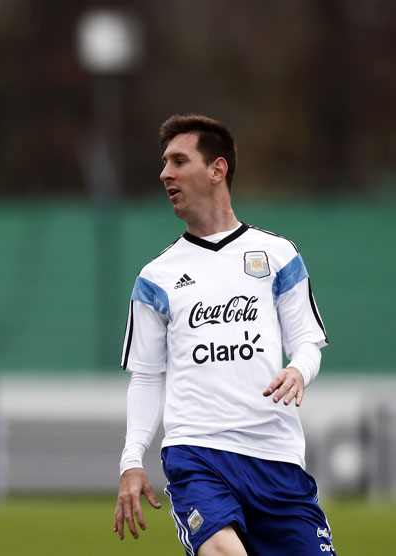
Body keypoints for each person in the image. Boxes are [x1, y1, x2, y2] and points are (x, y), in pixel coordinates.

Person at [113, 114, 335, 555]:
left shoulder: (277, 255)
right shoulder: (156, 277)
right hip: (198, 454)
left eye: (179, 161)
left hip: (277, 458)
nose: (165, 174)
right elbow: (145, 376)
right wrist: (131, 459)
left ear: (218, 169)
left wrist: (298, 370)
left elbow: (308, 342)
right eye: (164, 163)